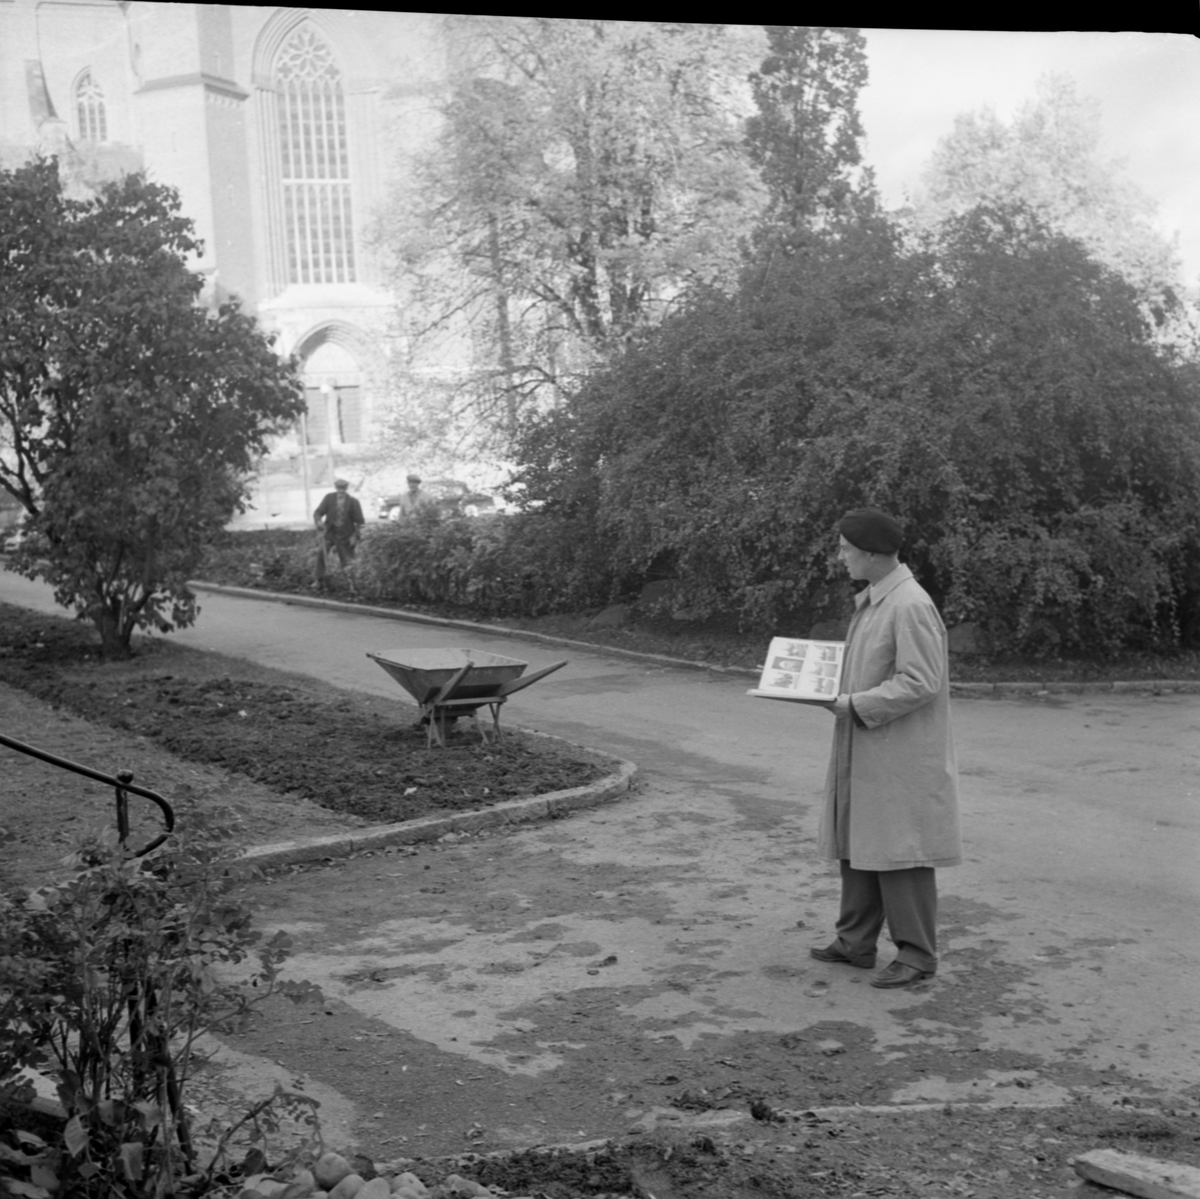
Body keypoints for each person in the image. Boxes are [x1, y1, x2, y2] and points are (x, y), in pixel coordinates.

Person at [811, 507, 962, 989]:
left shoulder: (909, 604)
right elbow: (869, 668)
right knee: (860, 840)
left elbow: (920, 682)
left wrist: (853, 703)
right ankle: (855, 942)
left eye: (845, 549)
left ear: (873, 554)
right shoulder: (880, 597)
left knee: (901, 850)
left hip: (899, 751)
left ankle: (917, 954)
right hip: (870, 740)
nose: (840, 557)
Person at [313, 478, 365, 572]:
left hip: (345, 535)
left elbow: (360, 522)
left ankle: (350, 583)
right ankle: (319, 579)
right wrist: (319, 522)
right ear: (336, 488)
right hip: (330, 533)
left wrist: (355, 536)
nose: (341, 491)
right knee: (321, 553)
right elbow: (318, 512)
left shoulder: (353, 502)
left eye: (343, 488)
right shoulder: (329, 498)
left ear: (346, 489)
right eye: (339, 488)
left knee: (347, 562)